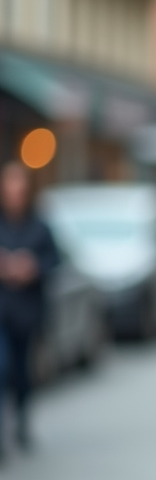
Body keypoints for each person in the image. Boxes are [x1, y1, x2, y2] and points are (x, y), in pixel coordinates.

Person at [0, 162, 58, 460]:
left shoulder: (40, 225)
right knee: (2, 366)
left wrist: (32, 267)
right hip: (2, 310)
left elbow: (55, 260)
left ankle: (21, 419)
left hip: (26, 312)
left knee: (21, 372)